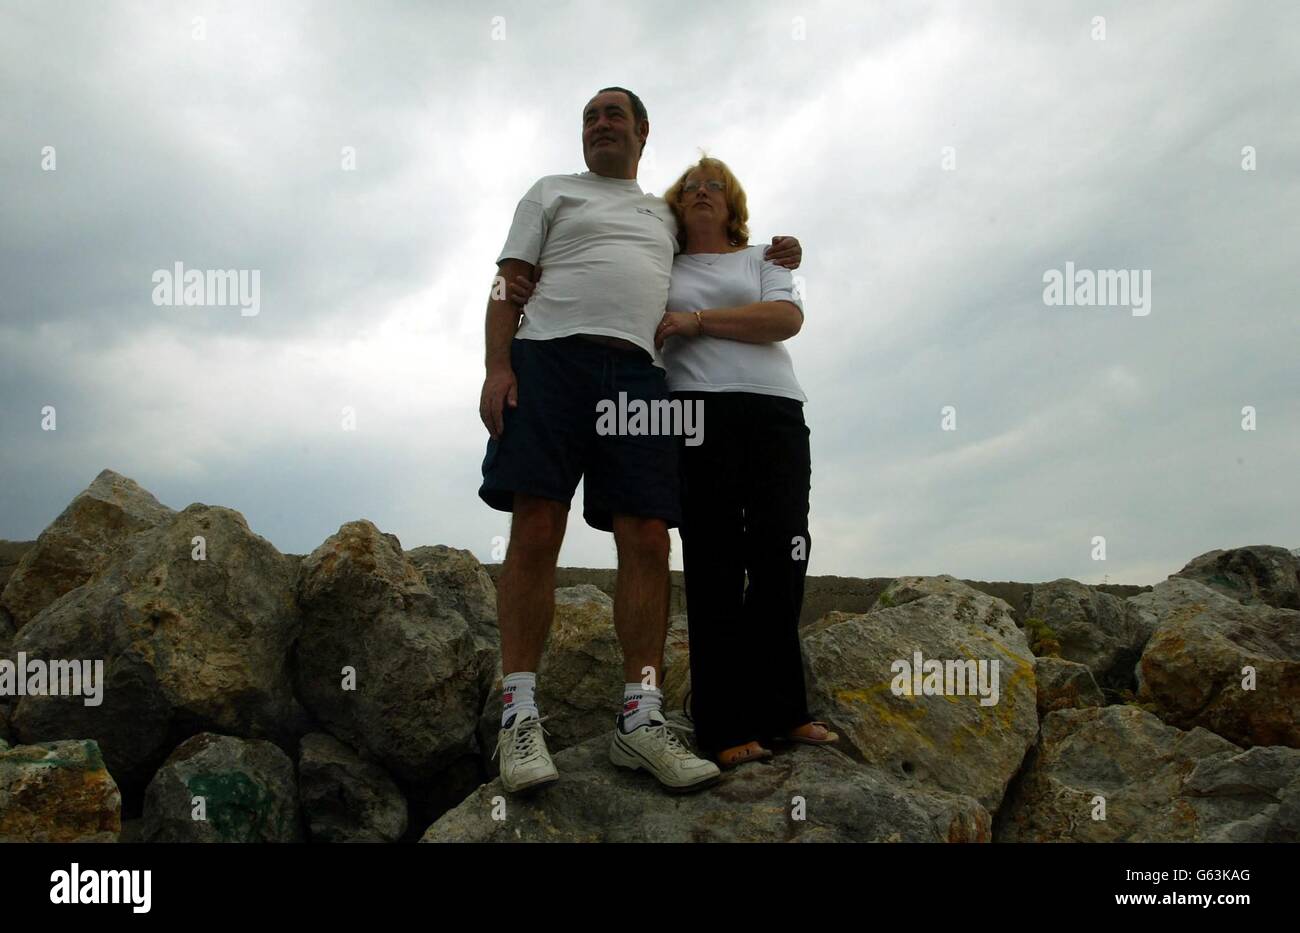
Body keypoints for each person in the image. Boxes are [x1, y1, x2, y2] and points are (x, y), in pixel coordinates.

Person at [478, 87, 802, 794]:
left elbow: (725, 246)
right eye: (590, 116)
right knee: (536, 525)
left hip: (639, 372)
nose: (600, 124)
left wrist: (785, 247)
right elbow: (509, 284)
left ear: (642, 134)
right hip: (550, 359)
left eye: (614, 114)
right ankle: (520, 716)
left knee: (650, 535)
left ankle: (641, 718)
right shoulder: (550, 192)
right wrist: (498, 366)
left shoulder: (664, 213)